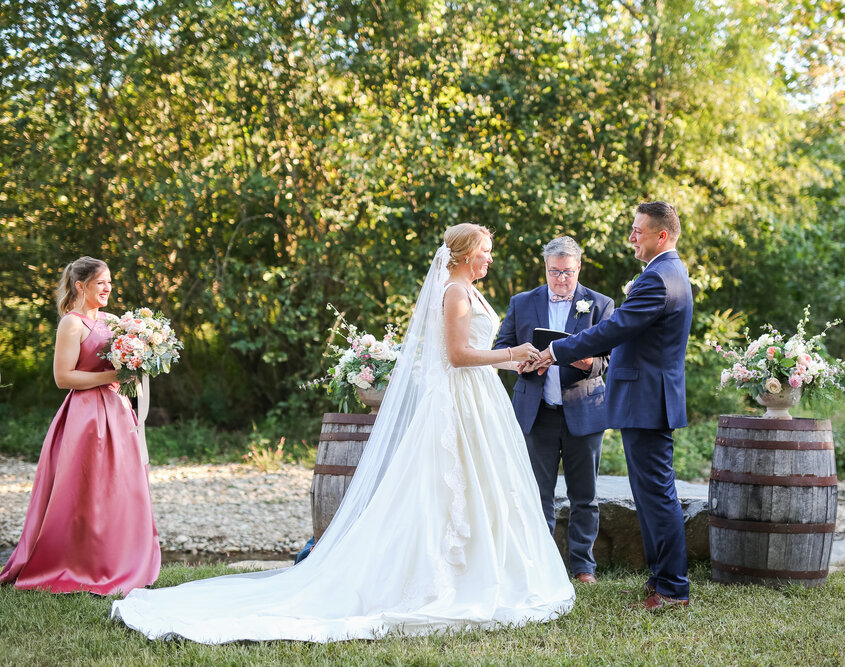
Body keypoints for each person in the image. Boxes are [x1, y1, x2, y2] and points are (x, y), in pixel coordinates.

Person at [110, 224, 575, 643]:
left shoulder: (468, 290)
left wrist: (517, 360)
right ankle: (438, 577)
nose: (490, 259)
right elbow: (456, 356)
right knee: (443, 489)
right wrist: (509, 352)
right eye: (485, 251)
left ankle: (485, 568)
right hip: (456, 403)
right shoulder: (454, 292)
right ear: (463, 254)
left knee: (482, 488)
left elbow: (472, 351)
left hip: (477, 401)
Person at [530, 201, 693, 610]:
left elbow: (616, 328)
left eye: (638, 230)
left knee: (656, 494)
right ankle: (659, 580)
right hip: (647, 399)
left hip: (648, 399)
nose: (631, 237)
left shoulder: (658, 278)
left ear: (662, 234)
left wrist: (556, 350)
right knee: (650, 491)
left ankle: (672, 589)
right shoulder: (667, 272)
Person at [0, 257, 161, 595]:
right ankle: (77, 561)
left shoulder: (115, 321)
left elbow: (126, 361)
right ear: (81, 285)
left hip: (118, 412)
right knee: (84, 491)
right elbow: (63, 377)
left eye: (110, 282)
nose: (108, 288)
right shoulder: (71, 325)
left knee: (121, 487)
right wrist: (114, 376)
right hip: (85, 418)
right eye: (101, 282)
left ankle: (121, 558)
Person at [493, 236, 614, 583]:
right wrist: (522, 362)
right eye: (554, 272)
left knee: (584, 496)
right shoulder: (522, 302)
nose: (561, 279)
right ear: (544, 269)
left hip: (584, 410)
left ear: (579, 268)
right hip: (536, 412)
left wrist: (569, 356)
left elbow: (607, 362)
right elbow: (501, 349)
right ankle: (539, 566)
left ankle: (583, 567)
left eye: (568, 272)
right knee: (535, 494)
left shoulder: (600, 305)